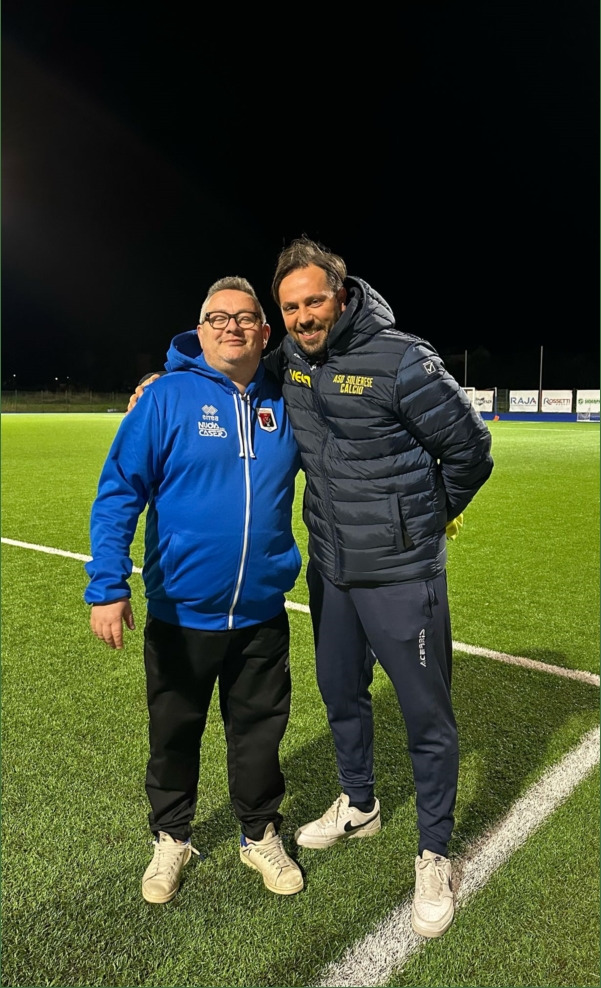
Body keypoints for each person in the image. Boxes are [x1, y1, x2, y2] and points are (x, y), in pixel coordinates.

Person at [132, 239, 493, 937]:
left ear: (342, 295)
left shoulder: (402, 359)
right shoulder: (290, 362)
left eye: (314, 301)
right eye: (291, 306)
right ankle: (359, 804)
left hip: (400, 572)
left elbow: (470, 449)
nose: (303, 316)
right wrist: (164, 376)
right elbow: (226, 358)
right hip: (331, 568)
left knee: (425, 716)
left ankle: (434, 852)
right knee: (340, 693)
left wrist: (422, 520)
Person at [85, 277, 304, 904]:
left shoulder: (289, 399)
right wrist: (108, 586)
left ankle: (259, 834)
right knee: (174, 735)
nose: (232, 327)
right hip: (181, 613)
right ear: (200, 330)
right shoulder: (164, 397)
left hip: (261, 614)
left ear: (265, 331)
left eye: (246, 318)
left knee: (260, 734)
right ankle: (171, 837)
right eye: (218, 318)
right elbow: (119, 493)